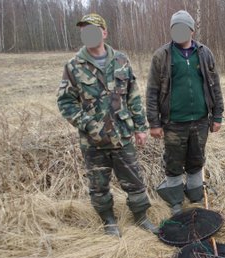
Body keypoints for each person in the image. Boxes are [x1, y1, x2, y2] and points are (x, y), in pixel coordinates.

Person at [56, 13, 158, 236]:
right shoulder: (74, 66)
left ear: (104, 32)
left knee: (134, 181)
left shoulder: (121, 60)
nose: (88, 34)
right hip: (93, 141)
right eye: (84, 30)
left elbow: (133, 96)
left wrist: (141, 128)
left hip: (122, 136)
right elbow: (65, 102)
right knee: (99, 185)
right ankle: (109, 221)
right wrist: (88, 124)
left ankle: (141, 218)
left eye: (93, 29)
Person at [146, 10, 224, 215]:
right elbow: (152, 90)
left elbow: (215, 86)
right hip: (173, 123)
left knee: (196, 161)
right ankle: (176, 202)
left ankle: (196, 197)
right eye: (174, 28)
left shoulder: (205, 53)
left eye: (182, 28)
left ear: (191, 30)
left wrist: (217, 116)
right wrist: (154, 123)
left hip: (200, 121)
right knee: (173, 163)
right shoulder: (161, 56)